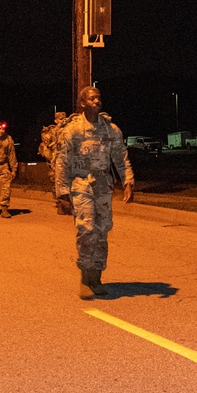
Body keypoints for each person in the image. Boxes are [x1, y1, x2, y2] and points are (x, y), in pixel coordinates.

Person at [54, 87, 134, 299]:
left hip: (103, 185)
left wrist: (128, 181)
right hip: (81, 184)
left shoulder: (110, 130)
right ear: (82, 103)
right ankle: (85, 278)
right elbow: (62, 162)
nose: (97, 101)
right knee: (87, 229)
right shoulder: (72, 130)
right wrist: (62, 193)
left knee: (102, 231)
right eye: (91, 99)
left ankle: (97, 277)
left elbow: (120, 157)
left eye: (99, 97)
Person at [38, 111, 67, 213]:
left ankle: (67, 202)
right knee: (56, 181)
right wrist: (51, 159)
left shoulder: (69, 130)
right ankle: (59, 202)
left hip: (67, 161)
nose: (62, 121)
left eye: (64, 118)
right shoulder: (51, 131)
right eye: (60, 119)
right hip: (55, 160)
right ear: (55, 120)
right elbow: (46, 146)